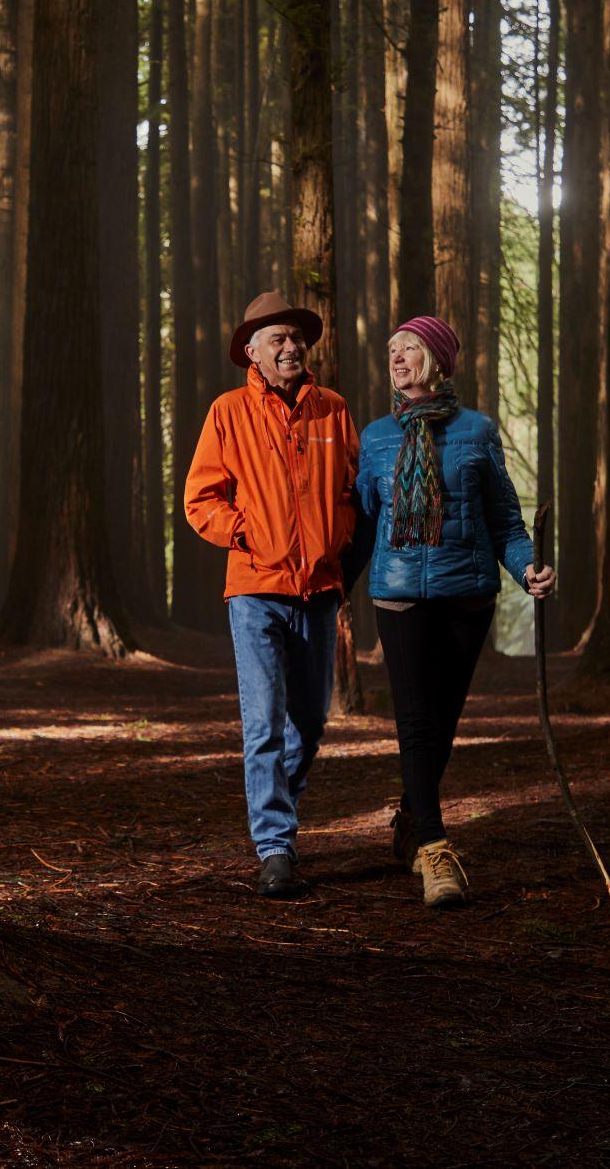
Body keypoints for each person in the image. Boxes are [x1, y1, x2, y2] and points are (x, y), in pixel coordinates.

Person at [354, 315, 555, 909]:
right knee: (415, 723)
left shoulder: (478, 432)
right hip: (397, 595)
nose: (396, 358)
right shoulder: (376, 438)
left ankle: (411, 817)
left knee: (439, 725)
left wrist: (527, 571)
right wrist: (331, 583)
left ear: (437, 359)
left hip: (466, 595)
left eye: (409, 347)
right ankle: (435, 851)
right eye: (392, 350)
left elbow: (507, 523)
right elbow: (363, 525)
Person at [184, 290, 361, 900]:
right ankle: (275, 846)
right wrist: (248, 534)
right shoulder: (227, 413)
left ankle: (277, 812)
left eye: (295, 338)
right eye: (276, 340)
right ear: (251, 353)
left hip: (319, 591)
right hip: (256, 589)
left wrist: (339, 542)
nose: (290, 347)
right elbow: (200, 500)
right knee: (262, 722)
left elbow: (356, 494)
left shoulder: (333, 411)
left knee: (308, 724)